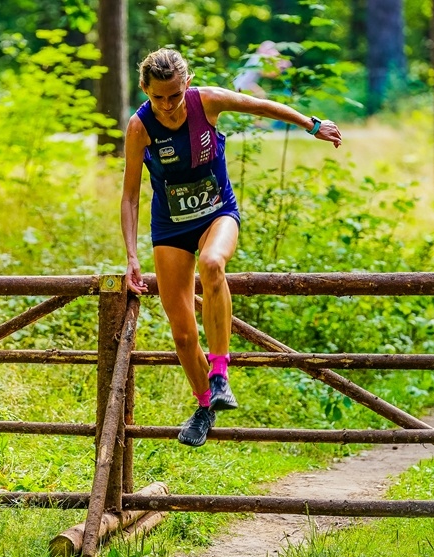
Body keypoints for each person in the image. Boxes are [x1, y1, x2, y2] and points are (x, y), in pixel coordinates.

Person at [121, 48, 342, 447]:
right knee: (183, 333)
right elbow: (130, 196)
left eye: (174, 94)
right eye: (159, 98)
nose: (168, 106)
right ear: (146, 91)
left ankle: (220, 372)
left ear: (186, 84)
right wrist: (132, 255)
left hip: (217, 214)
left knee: (212, 264)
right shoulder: (140, 127)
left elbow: (261, 106)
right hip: (170, 228)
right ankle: (205, 406)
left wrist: (312, 125)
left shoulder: (207, 101)